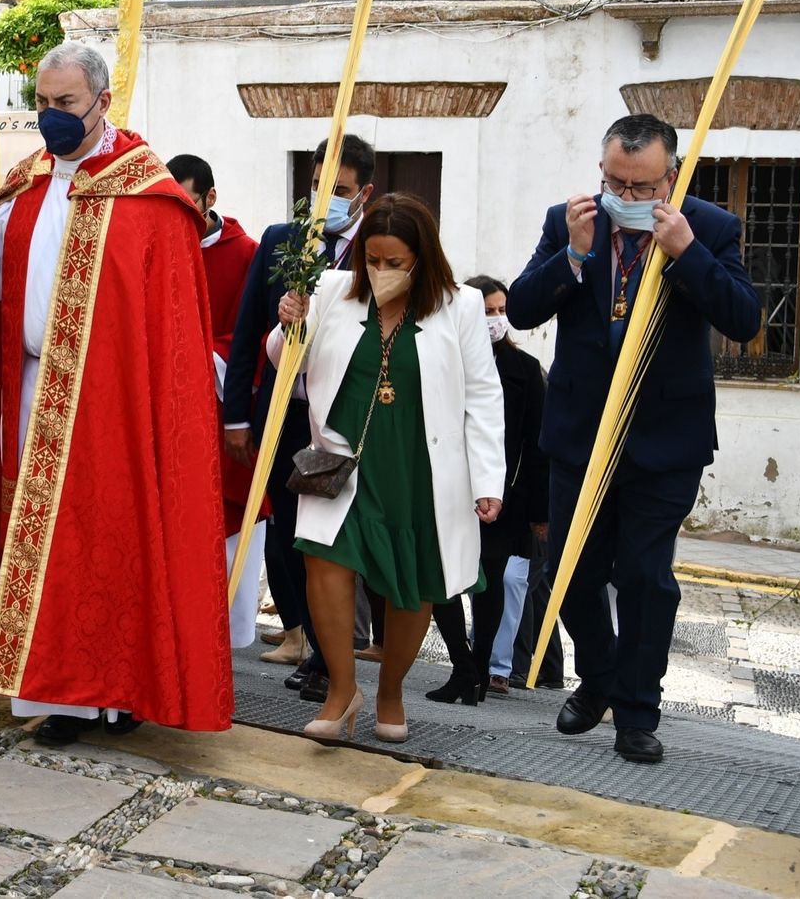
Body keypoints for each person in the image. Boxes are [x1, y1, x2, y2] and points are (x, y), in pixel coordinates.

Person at [0, 41, 234, 745]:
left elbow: (169, 331)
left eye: (65, 103)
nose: (50, 116)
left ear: (102, 100)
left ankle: (117, 691)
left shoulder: (146, 194)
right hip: (35, 393)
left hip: (113, 406)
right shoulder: (27, 181)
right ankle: (60, 696)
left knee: (109, 544)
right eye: (41, 102)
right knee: (44, 549)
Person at [508, 113, 760, 763]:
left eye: (641, 186)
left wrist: (686, 254)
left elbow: (743, 318)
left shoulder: (709, 228)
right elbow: (521, 308)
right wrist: (573, 252)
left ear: (670, 177)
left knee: (646, 577)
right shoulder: (571, 218)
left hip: (663, 441)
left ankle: (636, 715)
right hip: (579, 435)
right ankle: (598, 681)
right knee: (574, 574)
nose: (627, 194)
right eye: (615, 180)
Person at [274, 194, 503, 743]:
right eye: (372, 259)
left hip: (422, 468)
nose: (380, 271)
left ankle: (391, 692)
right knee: (325, 565)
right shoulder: (331, 291)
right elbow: (284, 361)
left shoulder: (461, 306)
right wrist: (288, 324)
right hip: (341, 463)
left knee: (411, 582)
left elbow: (482, 395)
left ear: (422, 259)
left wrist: (488, 480)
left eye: (394, 262)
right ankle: (341, 692)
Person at [224, 135, 376, 696]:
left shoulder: (379, 248)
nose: (324, 200)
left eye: (338, 191)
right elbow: (246, 335)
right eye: (316, 188)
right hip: (286, 412)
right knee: (289, 535)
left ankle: (339, 653)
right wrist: (237, 416)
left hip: (345, 420)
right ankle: (313, 644)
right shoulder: (282, 241)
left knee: (334, 538)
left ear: (365, 194)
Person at [426, 276, 549, 704]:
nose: (496, 320)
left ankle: (478, 669)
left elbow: (535, 444)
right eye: (487, 311)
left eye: (501, 311)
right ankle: (462, 664)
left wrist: (537, 510)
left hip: (502, 493)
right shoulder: (443, 359)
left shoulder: (526, 370)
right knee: (443, 579)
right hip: (448, 488)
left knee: (491, 581)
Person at [169, 152, 265, 648]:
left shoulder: (246, 253)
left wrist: (200, 358)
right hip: (167, 416)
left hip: (219, 408)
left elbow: (253, 339)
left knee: (224, 540)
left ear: (211, 198)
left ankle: (225, 643)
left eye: (189, 205)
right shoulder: (163, 249)